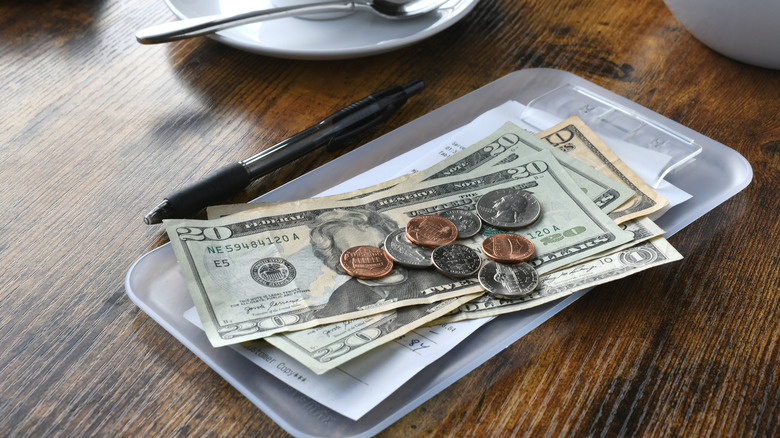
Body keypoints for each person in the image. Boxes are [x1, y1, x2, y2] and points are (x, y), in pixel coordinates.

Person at [309, 207, 463, 318]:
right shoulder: (340, 302)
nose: (386, 257)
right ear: (340, 265)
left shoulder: (440, 275)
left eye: (384, 246)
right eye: (364, 254)